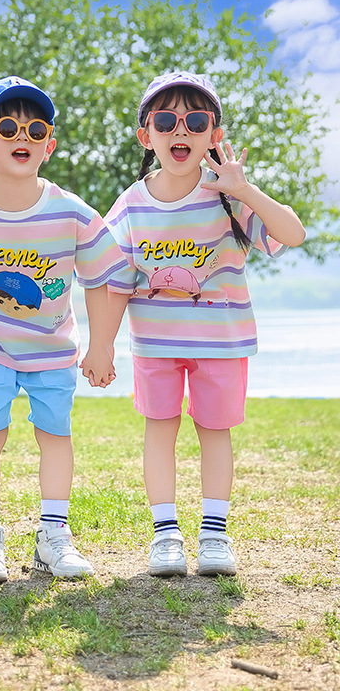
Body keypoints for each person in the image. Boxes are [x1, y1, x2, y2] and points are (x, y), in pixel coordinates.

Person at [105, 71, 306, 577]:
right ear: (145, 135)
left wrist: (247, 189)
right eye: (166, 120)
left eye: (196, 121)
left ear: (214, 136)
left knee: (215, 432)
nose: (182, 130)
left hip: (223, 343)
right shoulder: (131, 205)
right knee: (160, 430)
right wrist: (101, 347)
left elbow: (293, 233)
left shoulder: (230, 196)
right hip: (154, 346)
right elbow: (113, 280)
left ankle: (214, 535)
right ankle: (166, 535)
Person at [0, 76, 128, 582]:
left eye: (36, 129)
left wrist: (102, 346)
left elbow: (105, 277)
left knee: (55, 435)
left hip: (52, 346)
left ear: (49, 146)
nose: (24, 135)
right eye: (9, 126)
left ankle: (53, 537)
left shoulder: (71, 212)